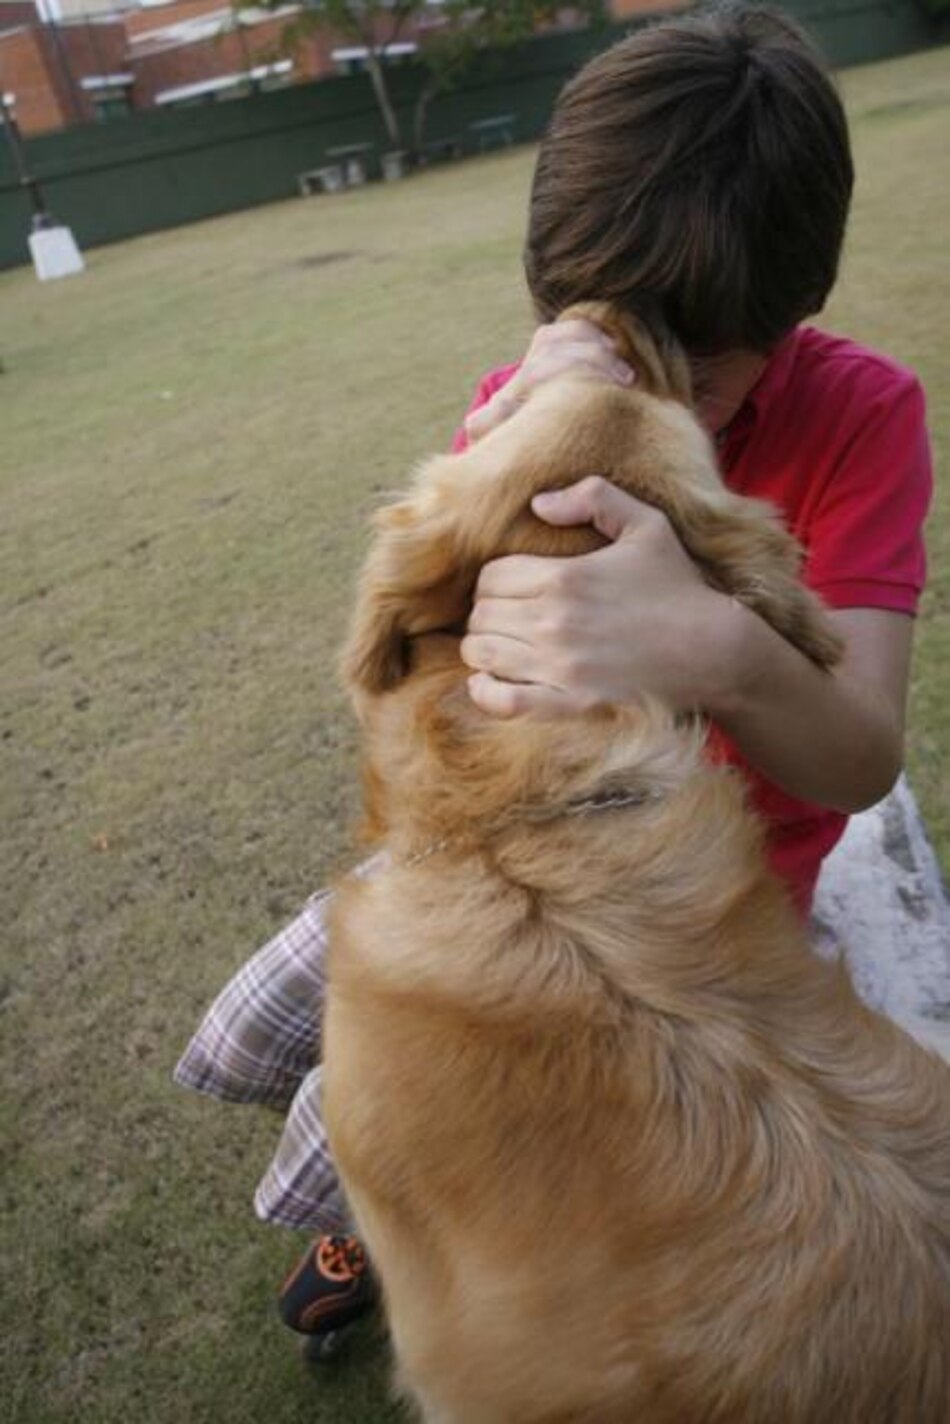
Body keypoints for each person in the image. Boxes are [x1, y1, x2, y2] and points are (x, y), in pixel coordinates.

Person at [175, 1, 932, 1345]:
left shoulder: (861, 415)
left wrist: (720, 653)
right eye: (604, 320)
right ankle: (390, 1193)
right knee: (257, 1036)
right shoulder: (520, 405)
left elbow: (861, 751)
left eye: (694, 360)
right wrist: (508, 431)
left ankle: (432, 1202)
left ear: (798, 300)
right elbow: (409, 661)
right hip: (503, 864)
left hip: (713, 910)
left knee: (535, 1144)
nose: (646, 371)